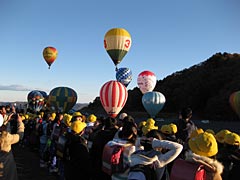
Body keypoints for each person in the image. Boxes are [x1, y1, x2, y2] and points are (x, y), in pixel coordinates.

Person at [0, 113, 24, 180]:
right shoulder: (5, 137)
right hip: (5, 168)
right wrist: (20, 123)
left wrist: (6, 121)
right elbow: (20, 136)